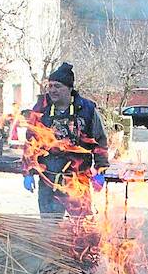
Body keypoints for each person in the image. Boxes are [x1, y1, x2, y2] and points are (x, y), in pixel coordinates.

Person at [22, 62, 108, 218]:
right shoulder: (41, 109)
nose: (52, 90)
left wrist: (100, 170)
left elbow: (100, 140)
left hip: (77, 179)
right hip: (48, 180)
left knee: (81, 226)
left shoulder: (87, 110)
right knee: (50, 226)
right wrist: (27, 172)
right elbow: (30, 142)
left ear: (69, 88)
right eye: (50, 86)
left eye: (57, 86)